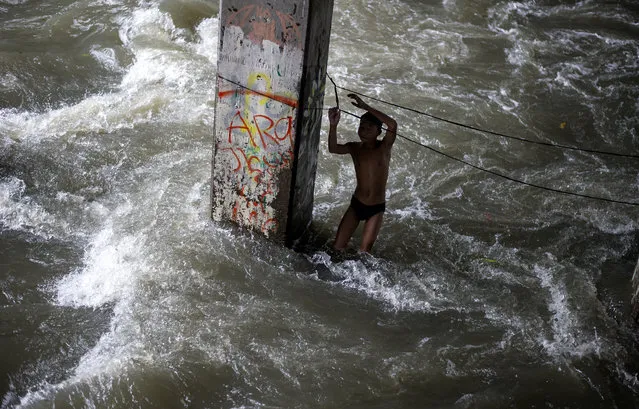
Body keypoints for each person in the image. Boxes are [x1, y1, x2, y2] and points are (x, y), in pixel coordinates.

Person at [327, 93, 398, 253]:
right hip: (356, 204)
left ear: (379, 132)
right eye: (361, 127)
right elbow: (333, 148)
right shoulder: (354, 148)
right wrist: (333, 126)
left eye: (369, 128)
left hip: (376, 208)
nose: (364, 131)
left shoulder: (384, 148)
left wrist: (365, 107)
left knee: (364, 252)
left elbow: (392, 125)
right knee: (337, 248)